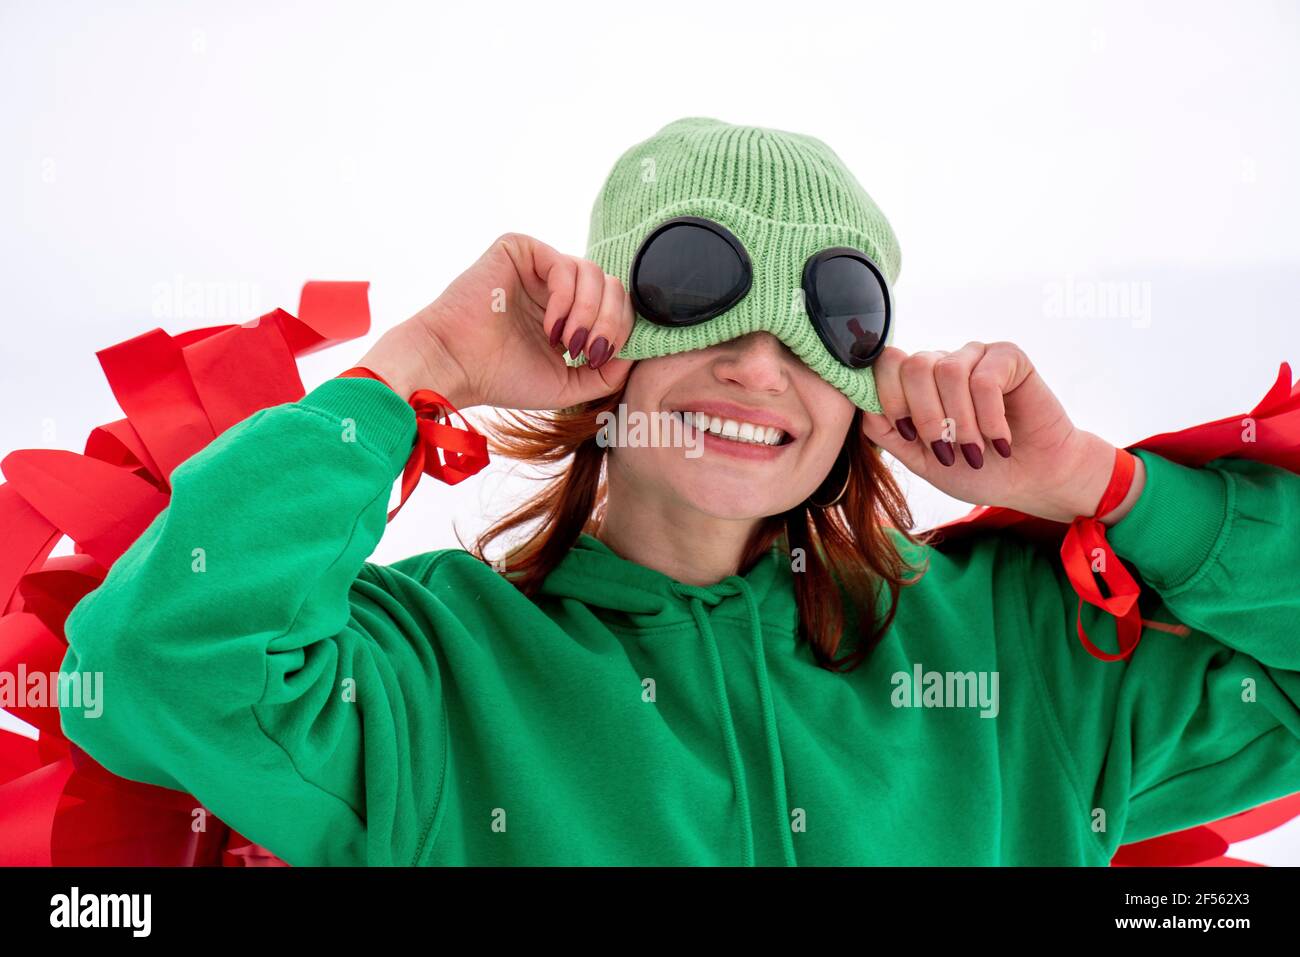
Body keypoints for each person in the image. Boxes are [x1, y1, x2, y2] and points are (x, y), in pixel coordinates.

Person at [58, 118, 1300, 866]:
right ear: (599, 348)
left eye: (833, 313)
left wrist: (1103, 482)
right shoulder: (431, 672)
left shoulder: (1019, 652)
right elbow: (158, 674)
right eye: (699, 283)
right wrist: (416, 366)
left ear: (866, 376)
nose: (760, 360)